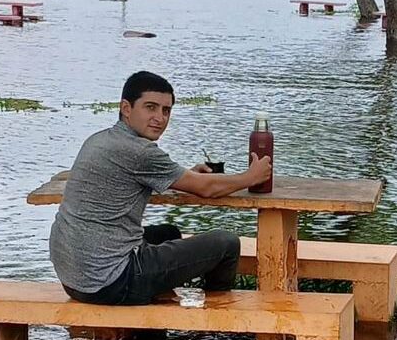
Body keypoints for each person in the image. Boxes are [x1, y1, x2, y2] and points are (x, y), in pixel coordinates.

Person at [49, 71, 272, 306]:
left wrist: (185, 174)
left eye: (166, 110)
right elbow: (207, 189)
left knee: (168, 234)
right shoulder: (139, 151)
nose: (160, 117)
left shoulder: (99, 140)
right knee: (226, 243)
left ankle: (159, 306)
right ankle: (214, 324)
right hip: (112, 282)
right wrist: (251, 177)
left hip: (75, 278)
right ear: (126, 108)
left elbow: (135, 178)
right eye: (151, 107)